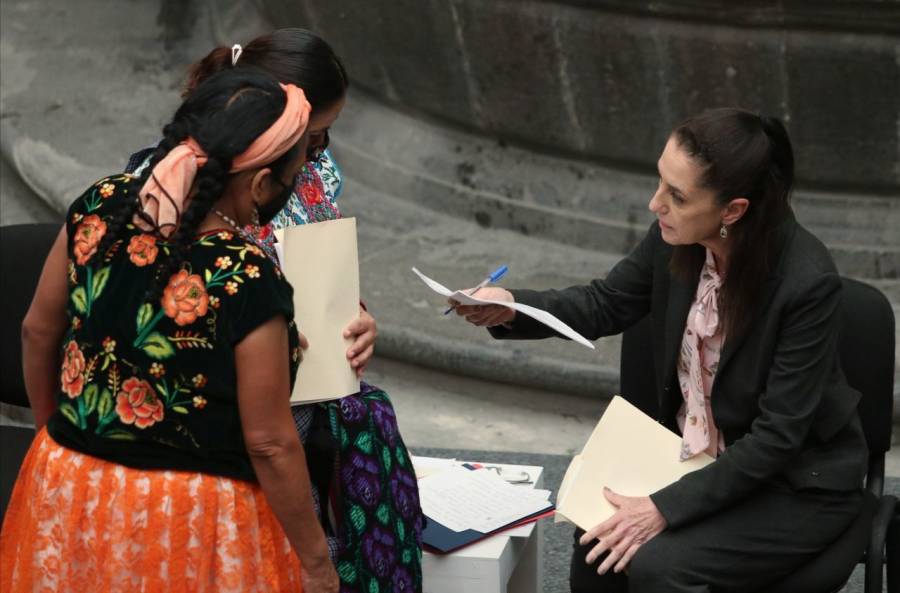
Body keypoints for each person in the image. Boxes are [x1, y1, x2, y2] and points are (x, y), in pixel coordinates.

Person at [453, 108, 868, 592]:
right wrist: (511, 307)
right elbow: (605, 302)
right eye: (659, 183)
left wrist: (663, 508)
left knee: (658, 566)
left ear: (733, 210)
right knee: (598, 545)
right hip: (698, 456)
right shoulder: (679, 238)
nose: (655, 205)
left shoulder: (805, 284)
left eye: (676, 195)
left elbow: (778, 437)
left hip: (793, 485)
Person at [1, 68, 338, 592]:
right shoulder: (243, 274)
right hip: (190, 518)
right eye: (294, 176)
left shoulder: (99, 205)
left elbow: (36, 332)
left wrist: (58, 440)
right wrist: (317, 564)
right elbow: (270, 442)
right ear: (260, 184)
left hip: (68, 488)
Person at [126, 29, 424, 592]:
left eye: (324, 138)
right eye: (311, 139)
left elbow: (322, 268)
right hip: (223, 437)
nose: (318, 153)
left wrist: (355, 318)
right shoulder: (164, 191)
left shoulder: (309, 172)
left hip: (301, 415)